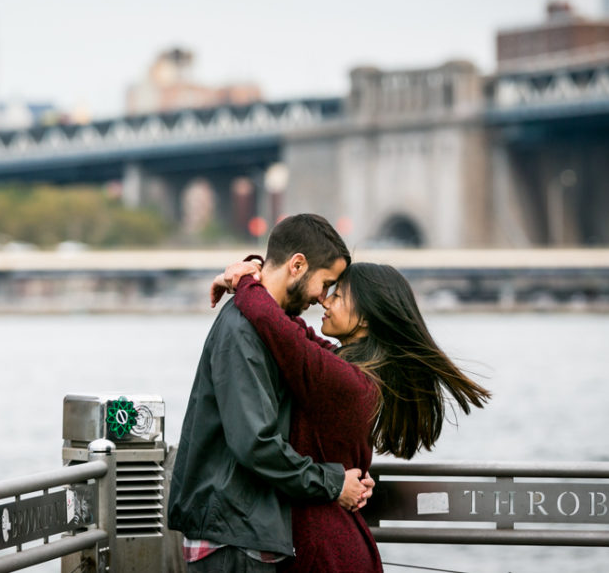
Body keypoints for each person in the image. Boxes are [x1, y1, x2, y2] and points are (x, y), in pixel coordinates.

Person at [211, 260, 491, 572]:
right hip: (335, 540)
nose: (324, 300)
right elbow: (289, 326)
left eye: (339, 296)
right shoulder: (347, 371)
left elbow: (272, 323)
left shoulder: (341, 379)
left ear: (367, 319)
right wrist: (258, 271)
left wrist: (245, 281)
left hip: (325, 548)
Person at [168, 214, 374, 573]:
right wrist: (333, 482)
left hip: (243, 531)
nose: (320, 299)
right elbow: (255, 442)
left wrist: (250, 275)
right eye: (324, 284)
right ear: (298, 265)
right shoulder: (245, 330)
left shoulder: (265, 325)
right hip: (234, 538)